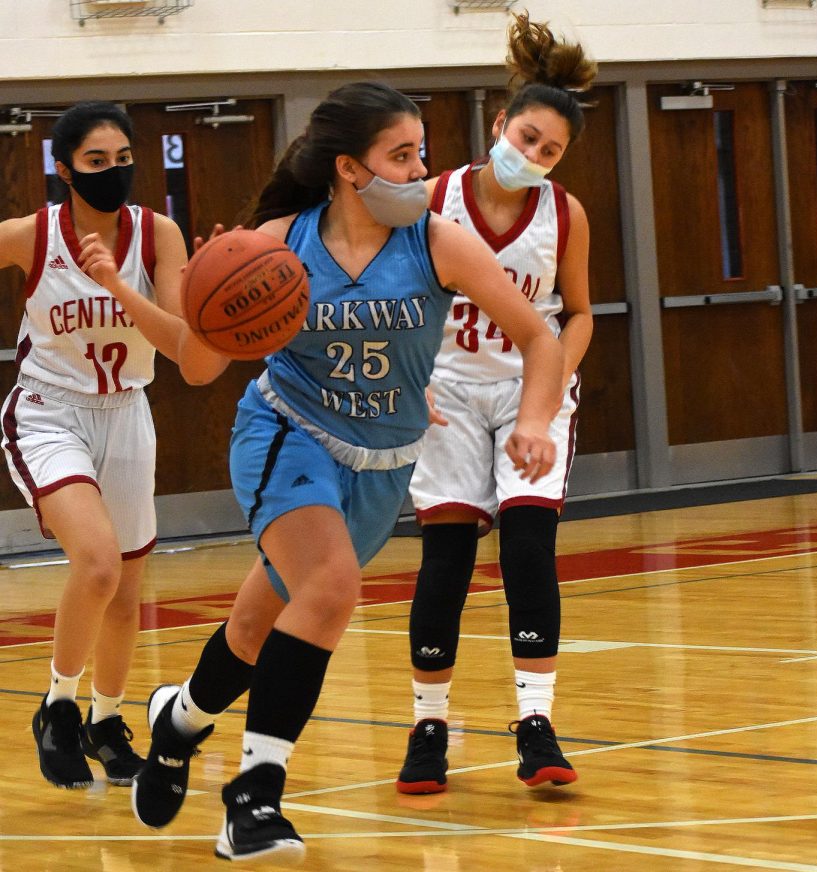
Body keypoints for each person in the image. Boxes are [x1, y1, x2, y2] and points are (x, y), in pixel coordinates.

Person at [129, 81, 563, 864]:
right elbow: (197, 367)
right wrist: (197, 296)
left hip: (384, 465)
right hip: (286, 436)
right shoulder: (275, 244)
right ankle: (254, 800)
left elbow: (540, 338)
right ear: (349, 169)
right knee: (331, 589)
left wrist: (532, 420)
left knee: (258, 627)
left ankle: (178, 724)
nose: (420, 169)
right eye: (401, 155)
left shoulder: (439, 242)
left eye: (421, 152)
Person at [395, 12, 597, 795]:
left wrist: (540, 412)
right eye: (529, 137)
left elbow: (576, 315)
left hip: (528, 388)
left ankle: (536, 723)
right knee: (445, 561)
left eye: (552, 151)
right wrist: (407, 380)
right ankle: (428, 725)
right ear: (499, 122)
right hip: (442, 390)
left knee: (526, 549)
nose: (536, 156)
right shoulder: (428, 200)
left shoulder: (564, 214)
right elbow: (396, 302)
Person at [0, 102, 219, 790]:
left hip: (127, 409)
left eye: (124, 159)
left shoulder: (158, 235)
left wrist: (118, 286)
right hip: (48, 411)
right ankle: (58, 710)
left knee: (125, 591)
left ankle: (106, 720)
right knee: (95, 564)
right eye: (97, 162)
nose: (115, 172)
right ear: (63, 170)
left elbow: (181, 345)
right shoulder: (33, 235)